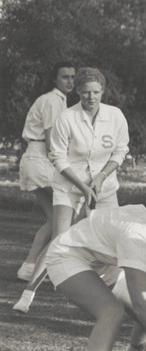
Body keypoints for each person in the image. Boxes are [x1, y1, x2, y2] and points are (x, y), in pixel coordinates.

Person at [14, 67, 130, 313]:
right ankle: (27, 294)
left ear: (103, 91)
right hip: (69, 186)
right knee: (61, 238)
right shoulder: (67, 117)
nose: (91, 97)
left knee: (112, 238)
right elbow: (58, 157)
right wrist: (83, 187)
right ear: (77, 91)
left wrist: (100, 178)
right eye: (86, 92)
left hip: (104, 187)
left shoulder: (116, 115)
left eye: (96, 92)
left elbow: (120, 151)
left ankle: (110, 291)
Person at [45, 189, 146, 351]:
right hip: (67, 255)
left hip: (104, 262)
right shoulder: (136, 234)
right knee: (111, 312)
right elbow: (140, 304)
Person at [16, 61, 76, 281]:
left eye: (72, 77)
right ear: (55, 79)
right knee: (67, 215)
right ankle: (50, 267)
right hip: (41, 159)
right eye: (65, 77)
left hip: (36, 159)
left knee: (55, 219)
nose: (69, 81)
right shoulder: (52, 101)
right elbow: (52, 143)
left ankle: (30, 267)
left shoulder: (58, 101)